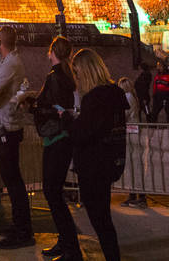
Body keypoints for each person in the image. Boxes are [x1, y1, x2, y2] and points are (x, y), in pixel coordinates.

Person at [58, 49, 126, 261]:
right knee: (103, 218)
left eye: (77, 74)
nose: (76, 79)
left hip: (93, 165)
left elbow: (82, 133)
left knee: (100, 220)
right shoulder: (115, 94)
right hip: (109, 163)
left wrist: (67, 119)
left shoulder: (95, 99)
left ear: (85, 73)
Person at [23, 37, 79, 260]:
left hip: (56, 138)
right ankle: (65, 242)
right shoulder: (67, 76)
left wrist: (33, 107)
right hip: (62, 138)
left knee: (52, 193)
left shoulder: (55, 77)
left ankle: (71, 247)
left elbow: (53, 108)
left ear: (52, 52)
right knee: (53, 192)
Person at [0, 25, 33, 249]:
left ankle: (23, 231)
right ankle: (19, 225)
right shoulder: (9, 62)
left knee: (13, 181)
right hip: (4, 126)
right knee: (12, 181)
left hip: (6, 128)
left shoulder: (10, 64)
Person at [117, 76, 147, 208]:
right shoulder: (133, 97)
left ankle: (137, 195)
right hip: (134, 132)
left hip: (131, 133)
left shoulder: (127, 97)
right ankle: (135, 194)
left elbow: (124, 114)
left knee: (133, 165)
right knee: (134, 165)